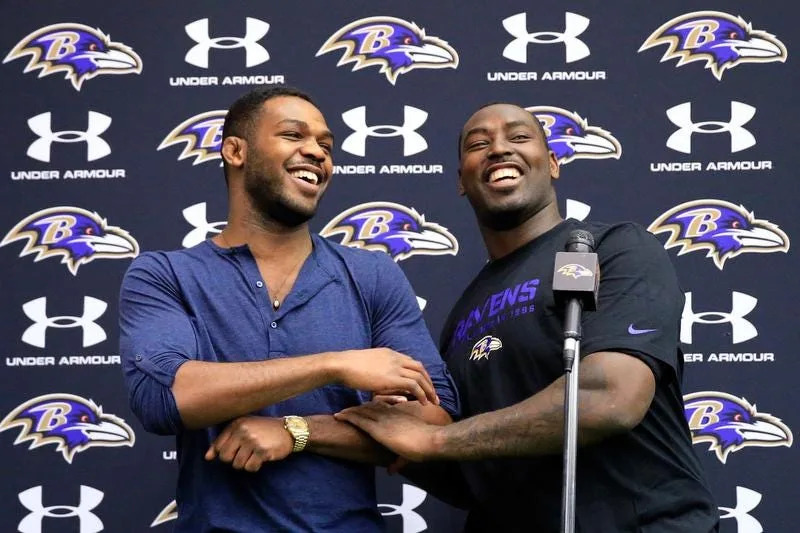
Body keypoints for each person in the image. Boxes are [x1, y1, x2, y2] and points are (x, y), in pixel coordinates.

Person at [337, 102, 720, 532]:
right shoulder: (462, 315)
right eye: (478, 144)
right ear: (461, 181)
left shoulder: (612, 247)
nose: (499, 149)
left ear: (552, 163)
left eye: (519, 137)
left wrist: (438, 439)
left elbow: (610, 397)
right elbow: (469, 478)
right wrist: (368, 429)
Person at [118, 86, 458, 532]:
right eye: (293, 135)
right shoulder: (164, 275)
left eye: (326, 145)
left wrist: (299, 431)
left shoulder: (372, 274)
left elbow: (434, 423)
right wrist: (334, 366)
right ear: (235, 151)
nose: (316, 152)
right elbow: (164, 399)